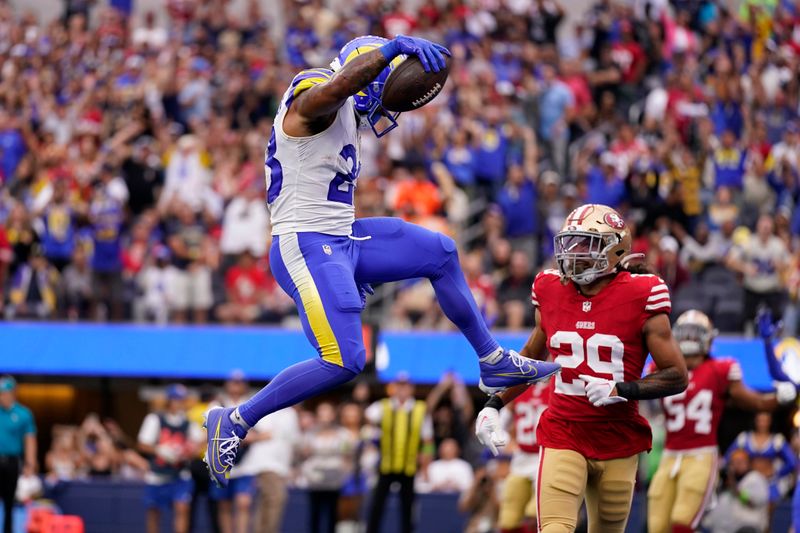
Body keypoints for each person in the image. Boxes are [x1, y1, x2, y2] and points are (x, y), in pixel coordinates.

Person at [204, 34, 559, 485]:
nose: (386, 107)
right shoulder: (315, 88)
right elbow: (331, 93)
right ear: (364, 73)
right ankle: (235, 419)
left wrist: (355, 266)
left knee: (441, 251)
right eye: (382, 85)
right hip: (305, 243)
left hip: (342, 238)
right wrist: (389, 53)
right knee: (345, 359)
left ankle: (491, 359)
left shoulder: (350, 113)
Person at [475, 204, 690, 533]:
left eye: (586, 244)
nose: (573, 254)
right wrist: (494, 404)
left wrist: (621, 390)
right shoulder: (549, 289)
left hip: (618, 438)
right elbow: (532, 358)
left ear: (615, 249)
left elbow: (677, 374)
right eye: (570, 243)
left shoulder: (642, 293)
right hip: (564, 431)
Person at [647, 310, 796, 533]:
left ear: (707, 338)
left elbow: (753, 402)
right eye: (685, 334)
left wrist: (777, 399)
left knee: (682, 521)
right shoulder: (661, 369)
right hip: (669, 455)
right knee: (657, 525)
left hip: (701, 453)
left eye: (694, 334)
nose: (689, 340)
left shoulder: (720, 369)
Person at [365, 373, 433, 533]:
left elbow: (428, 442)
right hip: (386, 463)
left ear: (411, 389)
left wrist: (425, 467)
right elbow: (367, 417)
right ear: (394, 388)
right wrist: (374, 436)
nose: (402, 389)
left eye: (406, 386)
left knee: (408, 508)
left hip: (408, 465)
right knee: (377, 506)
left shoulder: (420, 409)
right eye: (399, 385)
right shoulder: (383, 406)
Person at [137, 384, 203, 533]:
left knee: (182, 508)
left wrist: (187, 452)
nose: (178, 404)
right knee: (154, 512)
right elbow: (142, 444)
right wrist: (160, 450)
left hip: (179, 474)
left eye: (181, 400)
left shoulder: (188, 422)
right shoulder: (155, 419)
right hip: (157, 474)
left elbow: (198, 443)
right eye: (175, 400)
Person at [226, 404, 299, 533]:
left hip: (280, 467)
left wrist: (289, 468)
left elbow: (291, 442)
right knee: (275, 498)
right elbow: (240, 433)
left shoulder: (290, 413)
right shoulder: (260, 408)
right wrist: (259, 437)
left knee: (268, 501)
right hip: (263, 465)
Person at [497, 380, 550, 533]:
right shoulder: (519, 387)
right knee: (508, 520)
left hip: (547, 457)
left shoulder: (558, 387)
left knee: (536, 517)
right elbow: (499, 424)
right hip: (521, 459)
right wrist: (507, 442)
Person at [208, 372, 255, 533]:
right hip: (223, 462)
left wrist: (242, 438)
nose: (236, 386)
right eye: (233, 382)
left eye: (239, 382)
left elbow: (263, 433)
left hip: (245, 464)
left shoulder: (252, 404)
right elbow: (209, 431)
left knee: (243, 503)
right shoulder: (217, 405)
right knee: (224, 504)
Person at [300, 402, 356, 533]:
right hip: (315, 479)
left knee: (332, 514)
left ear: (333, 415)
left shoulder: (343, 434)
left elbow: (348, 456)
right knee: (315, 514)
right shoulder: (310, 434)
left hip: (335, 480)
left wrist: (344, 473)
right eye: (321, 413)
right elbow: (303, 454)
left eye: (327, 413)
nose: (324, 416)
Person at [725, 412, 797, 508]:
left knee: (769, 510)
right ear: (755, 421)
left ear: (770, 422)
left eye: (765, 420)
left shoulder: (777, 440)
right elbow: (728, 457)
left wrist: (778, 473)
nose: (762, 424)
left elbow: (792, 462)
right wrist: (738, 468)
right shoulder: (744, 438)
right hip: (749, 482)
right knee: (746, 505)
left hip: (770, 483)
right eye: (760, 420)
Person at [0, 376, 36, 533]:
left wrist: (30, 463)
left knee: (10, 502)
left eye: (5, 393)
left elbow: (29, 439)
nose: (2, 397)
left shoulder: (23, 414)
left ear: (13, 394)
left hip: (12, 462)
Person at [705, 449, 770, 533]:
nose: (737, 465)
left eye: (740, 462)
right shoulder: (728, 480)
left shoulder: (755, 478)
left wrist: (736, 491)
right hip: (726, 527)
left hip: (749, 527)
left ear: (748, 462)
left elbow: (753, 503)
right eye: (734, 462)